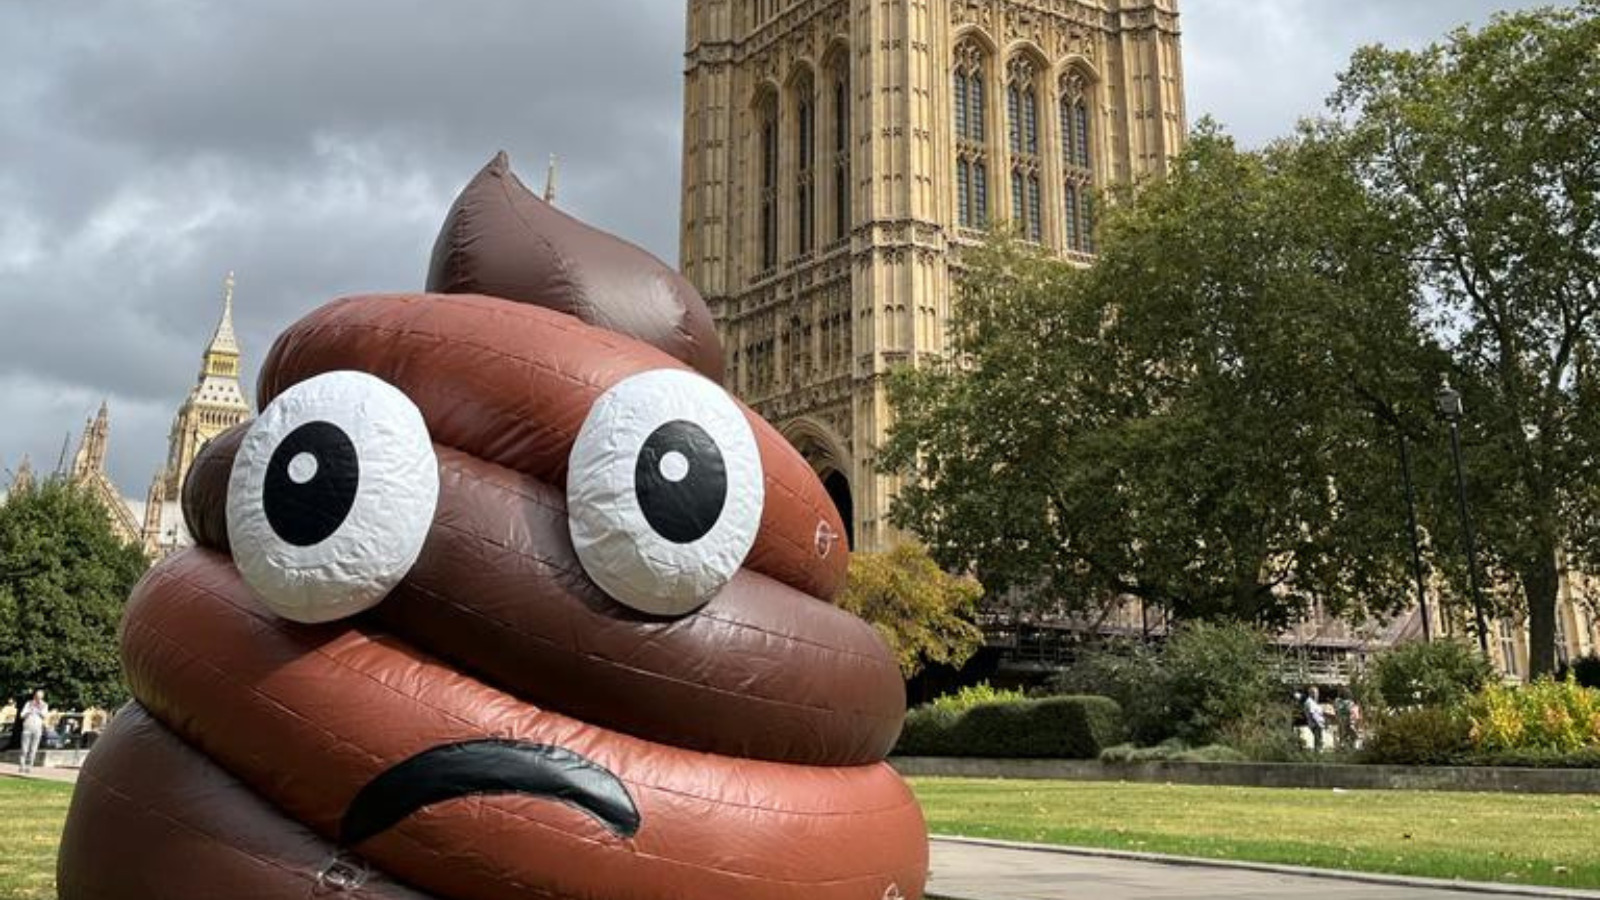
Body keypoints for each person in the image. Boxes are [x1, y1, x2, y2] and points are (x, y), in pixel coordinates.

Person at [18, 689, 47, 774]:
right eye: (37, 697)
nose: (38, 699)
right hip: (27, 728)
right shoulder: (28, 704)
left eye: (40, 697)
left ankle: (29, 766)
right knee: (24, 749)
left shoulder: (44, 705)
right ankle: (22, 766)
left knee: (33, 749)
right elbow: (21, 715)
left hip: (37, 729)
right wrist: (29, 710)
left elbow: (44, 715)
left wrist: (39, 709)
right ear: (35, 696)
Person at [1303, 686, 1326, 752]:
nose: (1316, 694)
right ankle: (1318, 753)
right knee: (1319, 740)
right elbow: (1312, 714)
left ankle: (1318, 753)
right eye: (1314, 693)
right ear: (1310, 693)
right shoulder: (1310, 702)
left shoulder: (1314, 702)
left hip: (1318, 723)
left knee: (1319, 740)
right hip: (1316, 724)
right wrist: (1318, 723)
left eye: (1317, 693)